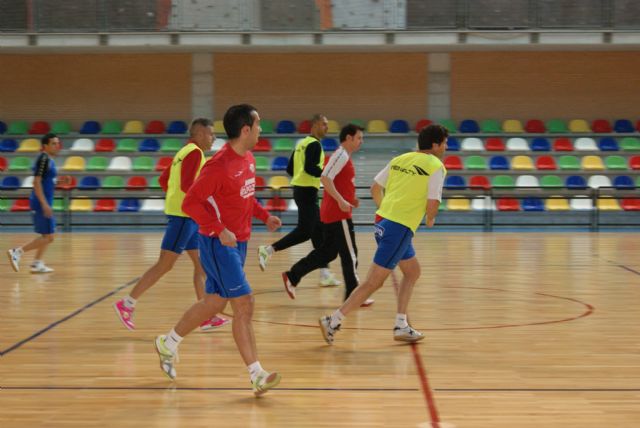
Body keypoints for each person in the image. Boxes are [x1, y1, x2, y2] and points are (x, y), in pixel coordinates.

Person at [154, 104, 283, 396]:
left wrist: (264, 217)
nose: (262, 129)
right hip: (217, 243)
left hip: (239, 242)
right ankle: (257, 374)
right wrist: (218, 228)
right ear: (245, 130)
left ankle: (168, 342)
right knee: (244, 303)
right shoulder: (218, 165)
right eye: (258, 124)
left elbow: (246, 197)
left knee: (213, 302)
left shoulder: (248, 158)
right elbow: (190, 203)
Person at [318, 124, 449, 345]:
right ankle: (333, 320)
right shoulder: (436, 165)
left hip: (383, 223)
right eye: (445, 143)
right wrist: (430, 218)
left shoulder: (401, 159)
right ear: (435, 145)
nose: (446, 147)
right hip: (399, 228)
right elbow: (432, 203)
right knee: (372, 283)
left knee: (413, 272)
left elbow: (374, 188)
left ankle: (401, 325)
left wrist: (386, 212)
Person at [113, 118, 229, 332]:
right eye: (211, 134)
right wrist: (204, 201)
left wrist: (180, 199)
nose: (213, 138)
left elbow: (164, 181)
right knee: (165, 265)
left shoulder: (182, 152)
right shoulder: (195, 153)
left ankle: (205, 316)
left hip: (188, 217)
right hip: (183, 217)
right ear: (200, 134)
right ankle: (127, 303)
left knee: (201, 265)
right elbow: (187, 185)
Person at [281, 124, 374, 306]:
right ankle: (353, 295)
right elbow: (325, 178)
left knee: (327, 253)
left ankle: (292, 275)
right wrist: (340, 200)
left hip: (335, 212)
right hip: (338, 213)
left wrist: (350, 198)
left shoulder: (344, 156)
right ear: (348, 138)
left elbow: (338, 182)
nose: (361, 141)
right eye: (359, 138)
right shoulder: (340, 155)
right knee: (350, 254)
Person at [257, 114, 340, 287]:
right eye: (324, 124)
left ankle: (325, 274)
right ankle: (269, 249)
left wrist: (302, 180)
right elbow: (311, 168)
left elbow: (289, 169)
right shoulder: (315, 144)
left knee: (318, 233)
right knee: (305, 232)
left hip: (301, 190)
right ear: (315, 124)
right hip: (307, 192)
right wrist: (326, 174)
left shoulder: (301, 143)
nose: (327, 128)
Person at [7, 133, 63, 274]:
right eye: (53, 144)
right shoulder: (43, 159)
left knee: (48, 235)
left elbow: (48, 181)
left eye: (57, 143)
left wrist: (62, 182)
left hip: (45, 200)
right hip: (40, 201)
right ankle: (17, 252)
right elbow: (36, 182)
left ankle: (37, 263)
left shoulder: (49, 160)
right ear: (45, 146)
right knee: (49, 236)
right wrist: (44, 204)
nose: (57, 146)